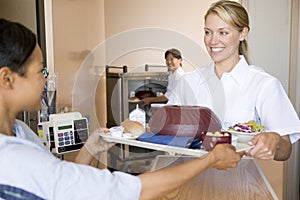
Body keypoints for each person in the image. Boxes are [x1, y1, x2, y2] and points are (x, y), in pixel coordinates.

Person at [0, 18, 244, 199]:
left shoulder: (20, 131)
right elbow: (120, 190)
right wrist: (210, 159)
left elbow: (61, 181)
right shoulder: (11, 159)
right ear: (7, 78)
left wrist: (89, 148)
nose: (46, 78)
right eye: (41, 70)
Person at [169, 0, 300, 161]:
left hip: (240, 180)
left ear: (243, 34)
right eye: (208, 32)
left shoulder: (264, 84)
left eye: (223, 32)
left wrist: (275, 140)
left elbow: (285, 151)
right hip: (188, 178)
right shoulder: (188, 81)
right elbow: (165, 129)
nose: (212, 41)